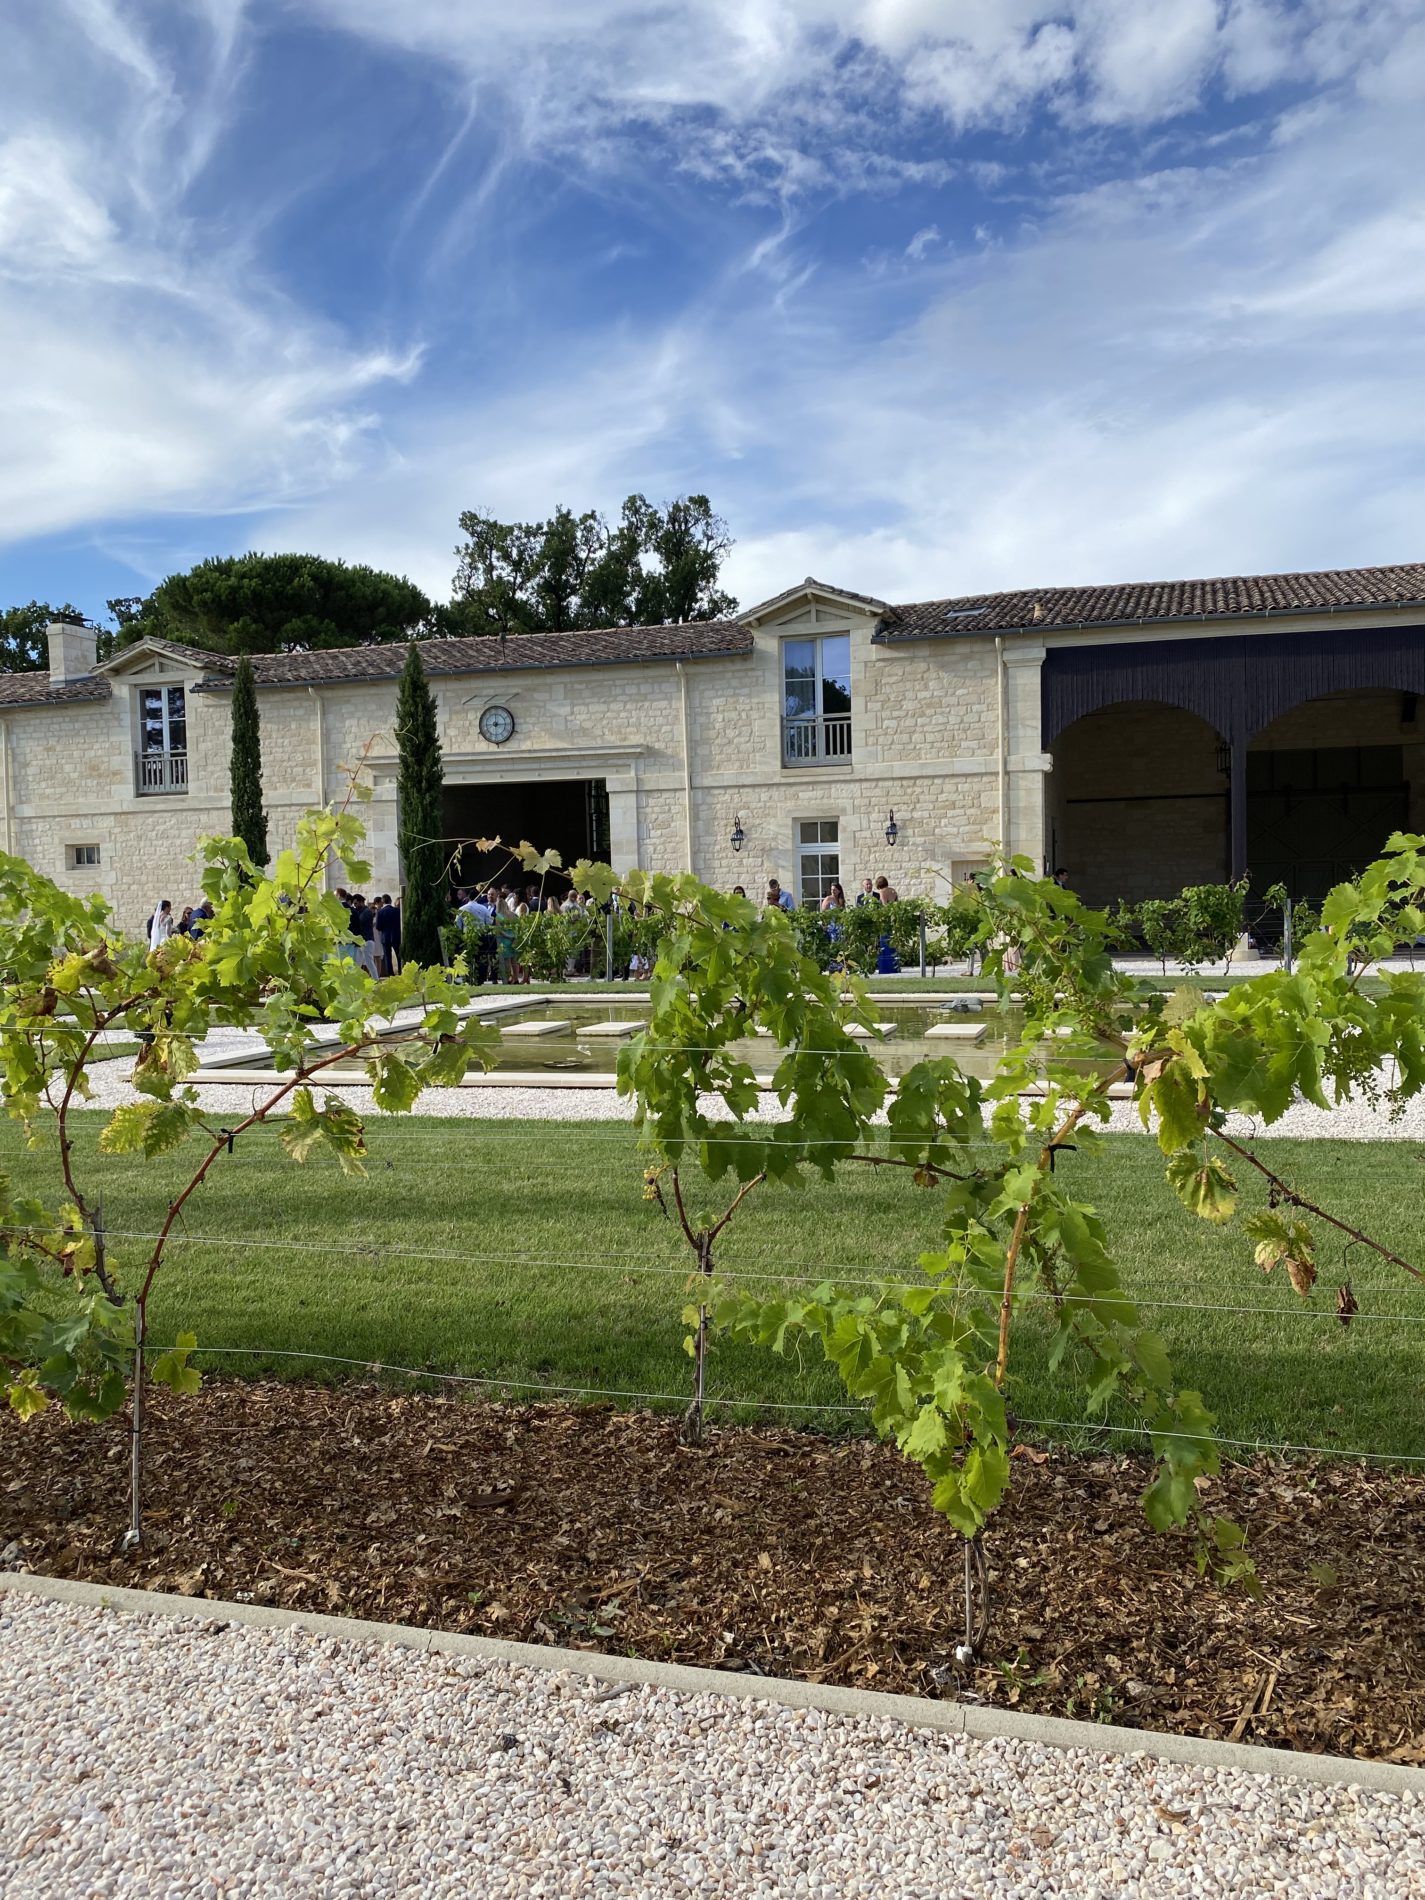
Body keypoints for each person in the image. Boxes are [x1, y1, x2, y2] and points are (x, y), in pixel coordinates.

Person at [375, 893, 401, 976]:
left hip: (385, 937)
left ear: (382, 901)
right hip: (396, 936)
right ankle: (401, 971)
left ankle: (390, 974)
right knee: (399, 955)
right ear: (390, 900)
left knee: (387, 957)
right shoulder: (397, 910)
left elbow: (378, 927)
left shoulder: (380, 912)